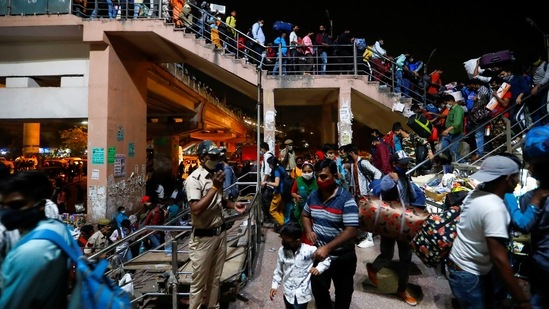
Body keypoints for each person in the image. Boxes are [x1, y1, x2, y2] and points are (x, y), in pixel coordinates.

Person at [447, 155, 531, 308]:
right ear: (508, 178)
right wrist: (522, 299)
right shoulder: (494, 208)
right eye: (516, 176)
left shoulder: (475, 194)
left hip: (458, 265)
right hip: (469, 275)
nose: (518, 181)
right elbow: (499, 259)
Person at [184, 140, 247, 309]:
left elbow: (219, 200)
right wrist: (214, 187)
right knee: (199, 282)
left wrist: (233, 205)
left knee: (215, 279)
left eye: (219, 155)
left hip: (219, 234)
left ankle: (213, 306)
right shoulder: (194, 179)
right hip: (203, 238)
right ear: (202, 158)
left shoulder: (214, 175)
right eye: (213, 156)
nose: (218, 159)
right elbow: (196, 209)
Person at [0, 171, 73, 308]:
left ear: (40, 206)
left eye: (16, 205)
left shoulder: (31, 251)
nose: (6, 212)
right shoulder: (56, 228)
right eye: (3, 206)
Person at [367, 150, 426, 306]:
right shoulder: (388, 178)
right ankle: (373, 268)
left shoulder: (406, 178)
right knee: (387, 254)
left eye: (406, 163)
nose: (405, 166)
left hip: (405, 223)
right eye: (402, 163)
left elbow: (412, 197)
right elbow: (385, 189)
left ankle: (402, 289)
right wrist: (393, 181)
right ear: (394, 164)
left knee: (406, 258)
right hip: (391, 223)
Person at [301, 159, 359, 309]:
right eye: (318, 176)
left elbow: (351, 230)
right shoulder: (314, 195)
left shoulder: (346, 199)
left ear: (334, 176)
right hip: (319, 257)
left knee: (343, 294)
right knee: (319, 291)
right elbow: (305, 215)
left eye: (324, 176)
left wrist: (328, 248)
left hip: (342, 257)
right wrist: (309, 230)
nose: (320, 180)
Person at [270, 222, 331, 309]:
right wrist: (274, 286)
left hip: (302, 295)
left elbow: (327, 259)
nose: (282, 243)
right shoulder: (282, 251)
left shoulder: (308, 250)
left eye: (286, 241)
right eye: (282, 239)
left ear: (297, 241)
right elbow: (279, 270)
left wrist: (318, 268)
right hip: (288, 293)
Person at [261, 156, 286, 228]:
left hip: (279, 193)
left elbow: (276, 184)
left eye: (269, 164)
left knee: (272, 210)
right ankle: (283, 225)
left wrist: (266, 182)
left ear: (272, 164)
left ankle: (283, 225)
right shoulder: (281, 168)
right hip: (284, 192)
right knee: (280, 211)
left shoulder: (276, 171)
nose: (269, 165)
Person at [440, 93, 465, 163]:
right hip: (448, 134)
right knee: (444, 149)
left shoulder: (458, 109)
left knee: (453, 151)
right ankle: (450, 161)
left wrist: (448, 130)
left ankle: (462, 163)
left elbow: (457, 123)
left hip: (455, 134)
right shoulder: (451, 109)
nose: (446, 105)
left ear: (451, 101)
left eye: (446, 103)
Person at [260, 142, 275, 224]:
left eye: (260, 149)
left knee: (265, 200)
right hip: (267, 183)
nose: (260, 151)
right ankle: (268, 217)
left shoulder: (267, 156)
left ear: (263, 148)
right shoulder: (268, 155)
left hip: (268, 183)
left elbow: (267, 171)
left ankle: (269, 217)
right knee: (264, 200)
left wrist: (263, 181)